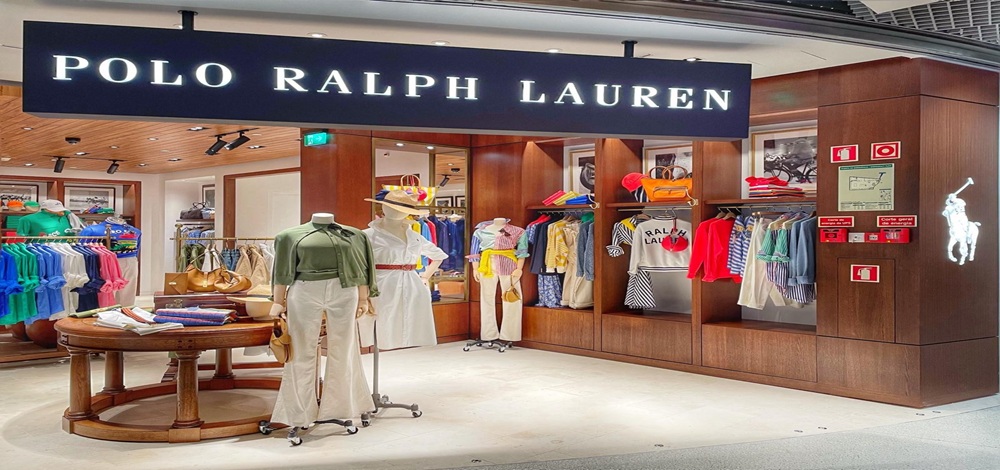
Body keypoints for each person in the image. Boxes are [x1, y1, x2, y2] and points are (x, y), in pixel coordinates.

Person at [267, 212, 378, 432]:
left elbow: (363, 268)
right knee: (300, 350)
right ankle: (299, 414)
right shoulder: (289, 235)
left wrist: (364, 298)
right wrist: (278, 302)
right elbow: (281, 271)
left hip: (345, 291)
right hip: (304, 290)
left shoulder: (355, 235)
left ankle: (341, 410)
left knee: (344, 349)